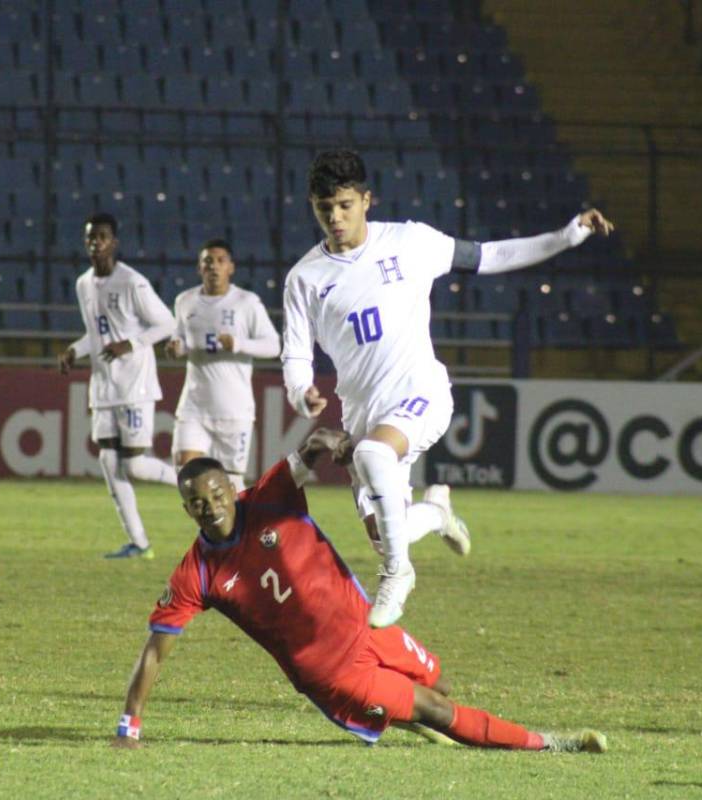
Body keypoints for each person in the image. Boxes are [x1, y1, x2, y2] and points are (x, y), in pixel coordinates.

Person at [111, 428, 609, 753]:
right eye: (198, 503)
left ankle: (406, 709)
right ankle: (551, 743)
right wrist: (128, 728)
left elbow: (308, 450)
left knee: (441, 685)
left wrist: (330, 440)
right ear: (187, 511)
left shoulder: (269, 497)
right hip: (330, 670)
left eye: (217, 493)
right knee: (437, 711)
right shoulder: (196, 574)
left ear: (230, 486)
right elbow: (155, 652)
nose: (211, 506)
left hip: (369, 625)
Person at [282, 148, 615, 627]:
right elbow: (296, 353)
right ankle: (436, 512)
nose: (334, 217)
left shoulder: (411, 242)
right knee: (383, 528)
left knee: (370, 459)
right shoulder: (304, 279)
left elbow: (491, 255)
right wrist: (300, 391)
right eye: (323, 208)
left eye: (344, 205)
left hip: (420, 393)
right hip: (363, 413)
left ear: (367, 200)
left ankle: (397, 574)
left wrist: (568, 235)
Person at [58, 212, 178, 560]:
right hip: (104, 385)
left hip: (134, 386)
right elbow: (96, 334)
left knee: (136, 466)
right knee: (109, 462)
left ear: (115, 242)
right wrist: (74, 350)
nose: (95, 243)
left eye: (102, 237)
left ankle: (188, 480)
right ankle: (138, 543)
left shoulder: (132, 282)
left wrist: (131, 344)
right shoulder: (84, 284)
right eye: (90, 237)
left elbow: (166, 323)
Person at [164, 238, 281, 491]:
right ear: (199, 268)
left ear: (231, 267)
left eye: (220, 261)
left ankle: (237, 531)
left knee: (231, 486)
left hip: (233, 409)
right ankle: (203, 531)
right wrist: (177, 348)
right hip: (194, 406)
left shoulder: (246, 302)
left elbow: (274, 346)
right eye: (208, 261)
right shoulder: (185, 300)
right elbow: (181, 337)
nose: (214, 266)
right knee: (187, 474)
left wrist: (238, 344)